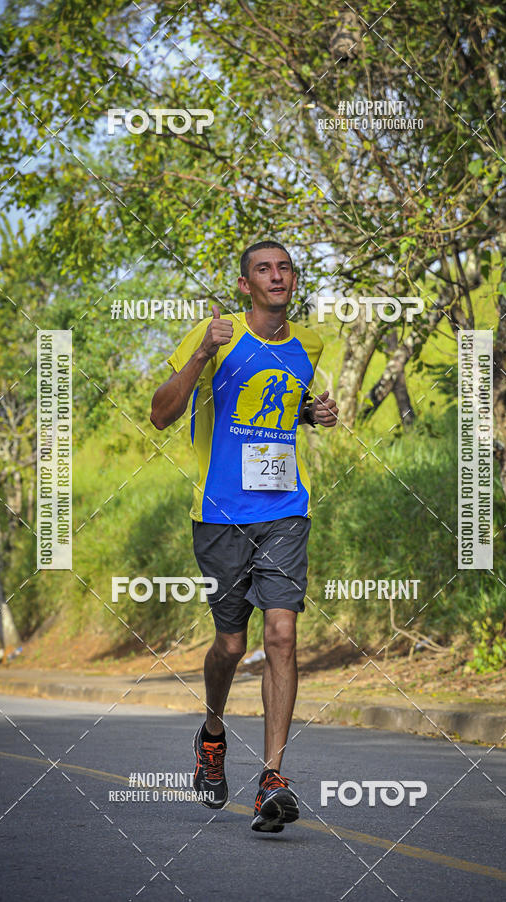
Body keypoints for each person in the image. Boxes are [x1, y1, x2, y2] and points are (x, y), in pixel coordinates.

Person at [150, 240, 338, 832]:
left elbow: (281, 403)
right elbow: (161, 413)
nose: (277, 276)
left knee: (281, 635)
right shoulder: (218, 335)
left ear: (293, 280)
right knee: (231, 647)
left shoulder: (308, 345)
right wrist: (204, 352)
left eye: (284, 268)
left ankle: (272, 778)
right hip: (220, 513)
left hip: (286, 510)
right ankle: (212, 733)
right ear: (244, 284)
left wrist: (312, 414)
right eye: (264, 269)